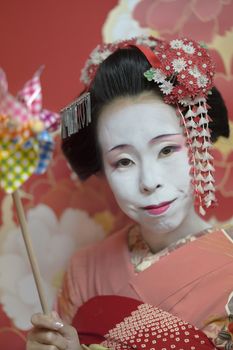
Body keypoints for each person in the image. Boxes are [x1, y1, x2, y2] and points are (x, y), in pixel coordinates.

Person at [26, 36, 232, 350]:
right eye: (123, 161)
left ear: (198, 144)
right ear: (102, 169)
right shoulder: (85, 269)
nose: (149, 181)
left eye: (166, 150)